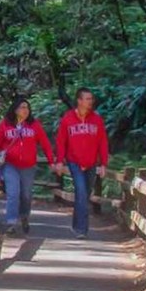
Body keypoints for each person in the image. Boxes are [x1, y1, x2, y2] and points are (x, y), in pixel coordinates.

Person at [0, 97, 55, 235]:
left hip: (28, 166)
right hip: (10, 165)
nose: (25, 110)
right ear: (15, 110)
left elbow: (45, 144)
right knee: (13, 193)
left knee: (26, 195)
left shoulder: (34, 125)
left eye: (27, 107)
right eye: (22, 107)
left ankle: (24, 216)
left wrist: (51, 161)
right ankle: (11, 222)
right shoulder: (5, 125)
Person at [54, 88, 109, 238]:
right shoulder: (68, 118)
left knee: (84, 195)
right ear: (79, 100)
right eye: (87, 98)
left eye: (91, 99)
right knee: (81, 192)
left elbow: (102, 142)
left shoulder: (96, 119)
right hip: (74, 162)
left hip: (91, 163)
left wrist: (103, 163)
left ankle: (76, 223)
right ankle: (81, 230)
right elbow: (61, 141)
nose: (90, 101)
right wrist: (59, 160)